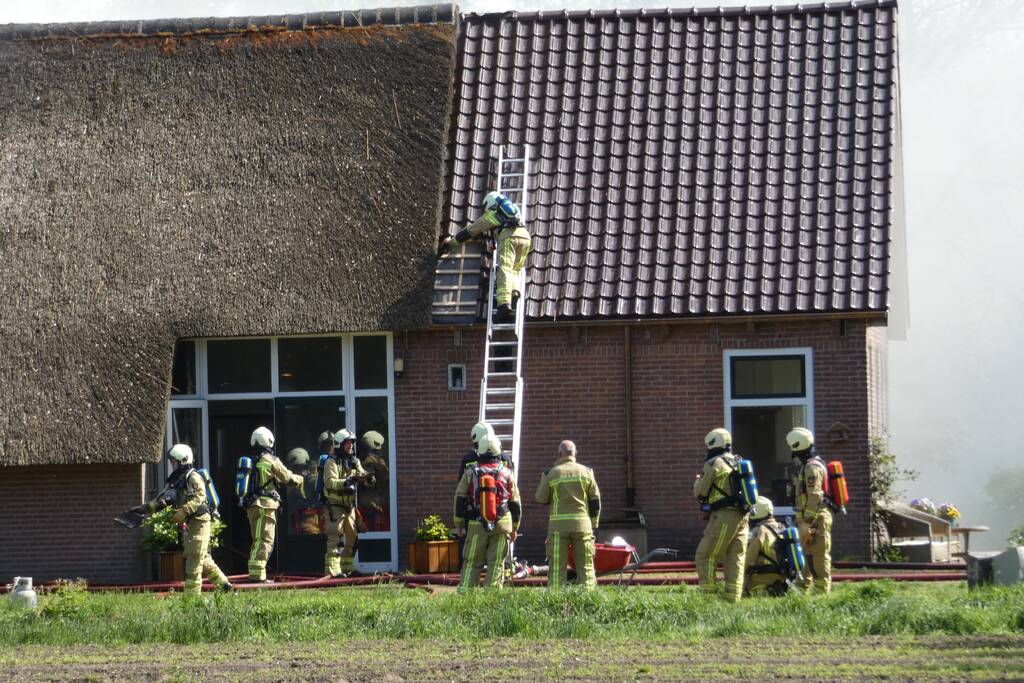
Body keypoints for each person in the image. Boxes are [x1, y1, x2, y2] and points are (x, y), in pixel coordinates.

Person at [131, 444, 231, 596]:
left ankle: (191, 601)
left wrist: (184, 511)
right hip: (191, 523)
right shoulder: (177, 480)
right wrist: (143, 509)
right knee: (203, 559)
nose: (172, 465)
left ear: (183, 461)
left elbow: (200, 497)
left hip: (200, 521)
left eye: (174, 462)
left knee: (194, 559)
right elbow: (164, 499)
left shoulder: (193, 477)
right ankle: (225, 587)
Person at [438, 191, 531, 323]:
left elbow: (472, 229)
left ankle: (504, 306)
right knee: (514, 270)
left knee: (504, 268)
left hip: (509, 237)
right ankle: (514, 297)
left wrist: (451, 243)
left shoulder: (492, 215)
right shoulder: (514, 213)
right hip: (525, 237)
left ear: (489, 204)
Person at [453, 433, 521, 589]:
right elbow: (516, 503)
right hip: (502, 524)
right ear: (498, 450)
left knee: (472, 562)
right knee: (496, 563)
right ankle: (492, 598)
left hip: (476, 526)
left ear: (480, 451)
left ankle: (465, 596)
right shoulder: (507, 473)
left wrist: (459, 524)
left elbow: (460, 499)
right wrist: (515, 527)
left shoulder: (470, 472)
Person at [535, 440, 601, 589]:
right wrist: (594, 523)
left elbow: (541, 498)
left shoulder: (551, 473)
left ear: (559, 454)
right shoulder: (587, 472)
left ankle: (556, 599)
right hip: (583, 526)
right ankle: (589, 599)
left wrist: (544, 480)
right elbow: (595, 501)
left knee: (557, 566)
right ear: (575, 453)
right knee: (586, 566)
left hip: (558, 528)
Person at [693, 428, 749, 603]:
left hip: (724, 516)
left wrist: (697, 479)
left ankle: (708, 600)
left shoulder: (714, 464)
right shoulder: (738, 461)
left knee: (705, 555)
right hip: (743, 517)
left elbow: (700, 492)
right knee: (735, 558)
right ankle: (732, 600)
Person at [244, 426, 305, 583]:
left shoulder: (249, 460)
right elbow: (287, 478)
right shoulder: (270, 460)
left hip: (251, 505)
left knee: (257, 539)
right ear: (269, 441)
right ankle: (257, 576)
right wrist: (300, 479)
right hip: (266, 505)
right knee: (265, 539)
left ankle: (256, 573)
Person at [323, 428, 375, 577]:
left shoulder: (354, 461)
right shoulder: (331, 462)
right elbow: (329, 483)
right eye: (347, 443)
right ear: (339, 444)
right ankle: (333, 571)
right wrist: (347, 482)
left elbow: (361, 474)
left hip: (349, 507)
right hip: (335, 507)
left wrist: (369, 479)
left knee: (352, 538)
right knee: (336, 539)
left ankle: (347, 568)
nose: (350, 446)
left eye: (352, 443)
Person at [788, 427, 832, 593]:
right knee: (807, 554)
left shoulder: (811, 468)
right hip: (808, 518)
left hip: (816, 518)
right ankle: (802, 589)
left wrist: (808, 521)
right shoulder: (806, 466)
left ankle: (822, 592)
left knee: (819, 555)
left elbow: (815, 495)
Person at [743, 496, 790, 597]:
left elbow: (747, 562)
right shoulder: (782, 528)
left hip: (761, 584)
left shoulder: (759, 531)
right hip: (783, 582)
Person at [357, 430, 390, 532]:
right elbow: (370, 482)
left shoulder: (376, 462)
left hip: (373, 505)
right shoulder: (370, 462)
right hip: (369, 506)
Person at [286, 447, 323, 535]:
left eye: (295, 468)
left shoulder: (313, 480)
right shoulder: (291, 485)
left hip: (310, 523)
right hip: (295, 523)